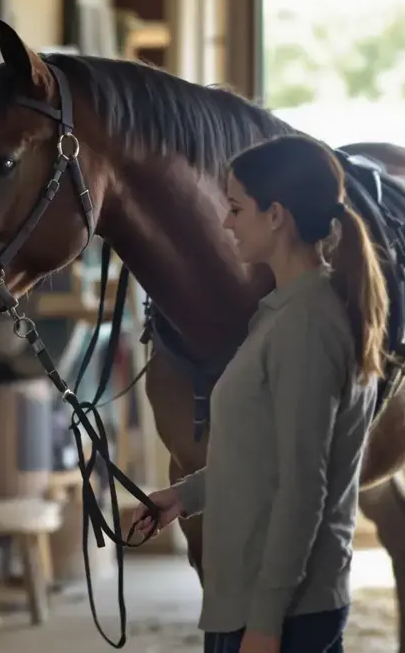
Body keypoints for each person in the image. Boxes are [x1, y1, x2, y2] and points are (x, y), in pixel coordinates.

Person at [130, 135, 388, 653]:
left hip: (279, 611)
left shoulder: (306, 327)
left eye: (235, 207)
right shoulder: (288, 313)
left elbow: (302, 487)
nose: (225, 222)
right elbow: (262, 459)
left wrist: (266, 622)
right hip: (256, 602)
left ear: (276, 216)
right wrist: (185, 497)